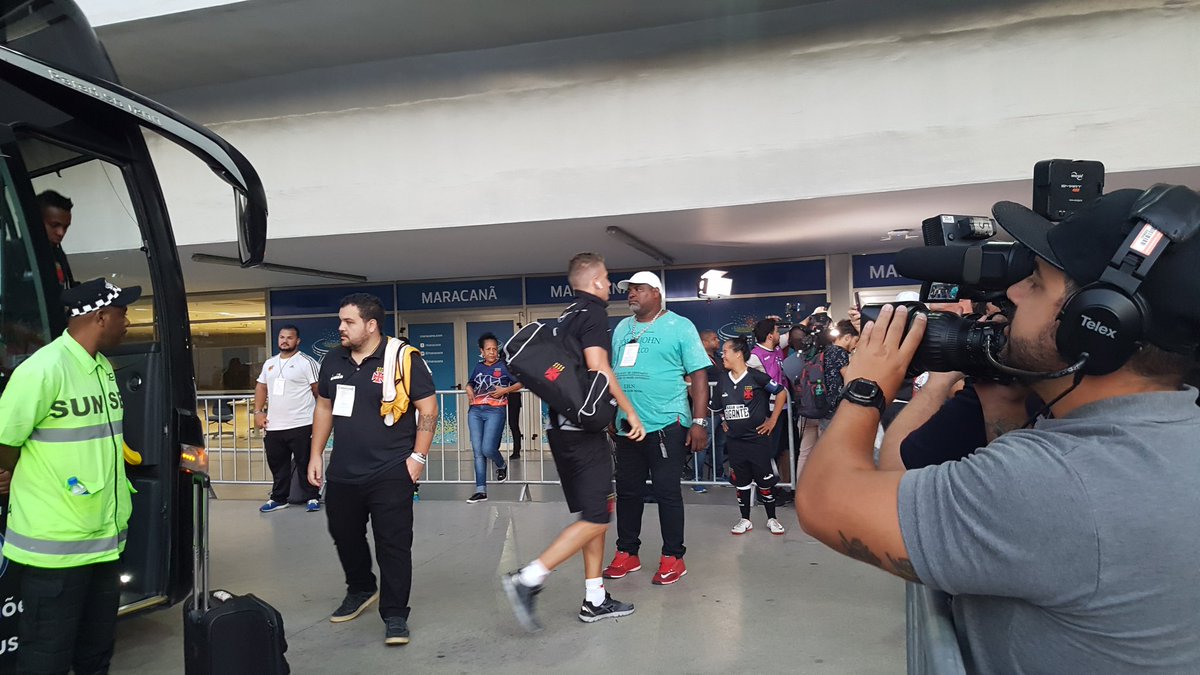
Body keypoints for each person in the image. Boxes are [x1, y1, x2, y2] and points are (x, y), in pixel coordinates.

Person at [796, 187, 1200, 672]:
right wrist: (1001, 402)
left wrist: (867, 386)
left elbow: (824, 501)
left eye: (1037, 282)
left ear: (1096, 322)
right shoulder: (1164, 440)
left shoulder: (1064, 481)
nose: (1012, 293)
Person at [0, 278, 139, 674]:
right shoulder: (43, 369)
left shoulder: (102, 368)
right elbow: (4, 438)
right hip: (56, 549)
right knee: (46, 657)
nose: (127, 322)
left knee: (96, 652)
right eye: (122, 313)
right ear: (101, 316)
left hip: (103, 543)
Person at [502, 252, 644, 631]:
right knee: (597, 517)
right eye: (607, 277)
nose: (610, 284)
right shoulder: (594, 314)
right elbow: (599, 368)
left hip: (563, 429)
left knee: (594, 516)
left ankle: (594, 599)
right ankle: (528, 579)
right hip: (584, 434)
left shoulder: (567, 315)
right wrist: (629, 411)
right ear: (595, 281)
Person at [307, 293, 437, 646]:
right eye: (340, 320)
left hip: (391, 469)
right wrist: (316, 454)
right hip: (343, 470)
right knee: (343, 533)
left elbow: (428, 409)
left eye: (348, 322)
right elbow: (324, 407)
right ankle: (362, 587)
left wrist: (418, 458)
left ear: (371, 325)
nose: (341, 327)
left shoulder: (403, 358)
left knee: (393, 544)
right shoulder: (333, 359)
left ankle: (395, 614)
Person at [603, 271, 710, 586]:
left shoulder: (680, 326)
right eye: (629, 290)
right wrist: (611, 413)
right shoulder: (622, 328)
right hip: (627, 426)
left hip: (667, 423)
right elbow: (614, 374)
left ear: (656, 293)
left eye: (638, 289)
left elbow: (699, 376)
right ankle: (627, 552)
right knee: (628, 491)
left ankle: (673, 557)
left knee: (666, 492)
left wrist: (699, 422)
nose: (631, 294)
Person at [718, 337, 787, 536]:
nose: (722, 355)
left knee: (765, 482)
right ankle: (745, 519)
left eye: (725, 351)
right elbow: (717, 405)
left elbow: (781, 392)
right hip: (735, 442)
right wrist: (724, 419)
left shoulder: (757, 377)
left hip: (757, 441)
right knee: (741, 482)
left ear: (738, 353)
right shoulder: (723, 379)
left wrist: (772, 420)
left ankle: (772, 518)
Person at [254, 324, 321, 513]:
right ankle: (278, 498)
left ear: (297, 341)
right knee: (277, 465)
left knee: (305, 463)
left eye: (289, 337)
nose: (285, 341)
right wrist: (258, 412)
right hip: (274, 426)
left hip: (302, 423)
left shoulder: (306, 362)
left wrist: (320, 417)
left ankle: (312, 496)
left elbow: (318, 390)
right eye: (282, 337)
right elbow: (261, 387)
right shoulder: (270, 363)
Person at [464, 332, 521, 503]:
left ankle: (501, 464)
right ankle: (481, 490)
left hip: (495, 411)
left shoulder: (504, 366)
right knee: (477, 452)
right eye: (488, 349)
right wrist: (468, 387)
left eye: (494, 349)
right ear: (481, 351)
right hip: (475, 411)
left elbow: (520, 383)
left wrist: (505, 390)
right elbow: (471, 382)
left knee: (488, 449)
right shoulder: (478, 366)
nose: (492, 352)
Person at [693, 329, 726, 486]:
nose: (718, 341)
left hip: (721, 408)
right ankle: (697, 479)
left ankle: (718, 475)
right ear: (704, 342)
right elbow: (690, 382)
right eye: (714, 339)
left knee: (719, 443)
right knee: (703, 444)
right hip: (707, 409)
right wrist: (701, 405)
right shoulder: (697, 359)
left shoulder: (719, 358)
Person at [816, 319, 859, 431]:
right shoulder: (840, 353)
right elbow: (849, 378)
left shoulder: (827, 350)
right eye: (856, 340)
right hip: (836, 408)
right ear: (847, 337)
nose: (856, 345)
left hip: (825, 405)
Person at [37, 190, 75, 289]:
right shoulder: (15, 255)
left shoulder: (58, 254)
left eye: (66, 227)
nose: (61, 232)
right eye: (54, 225)